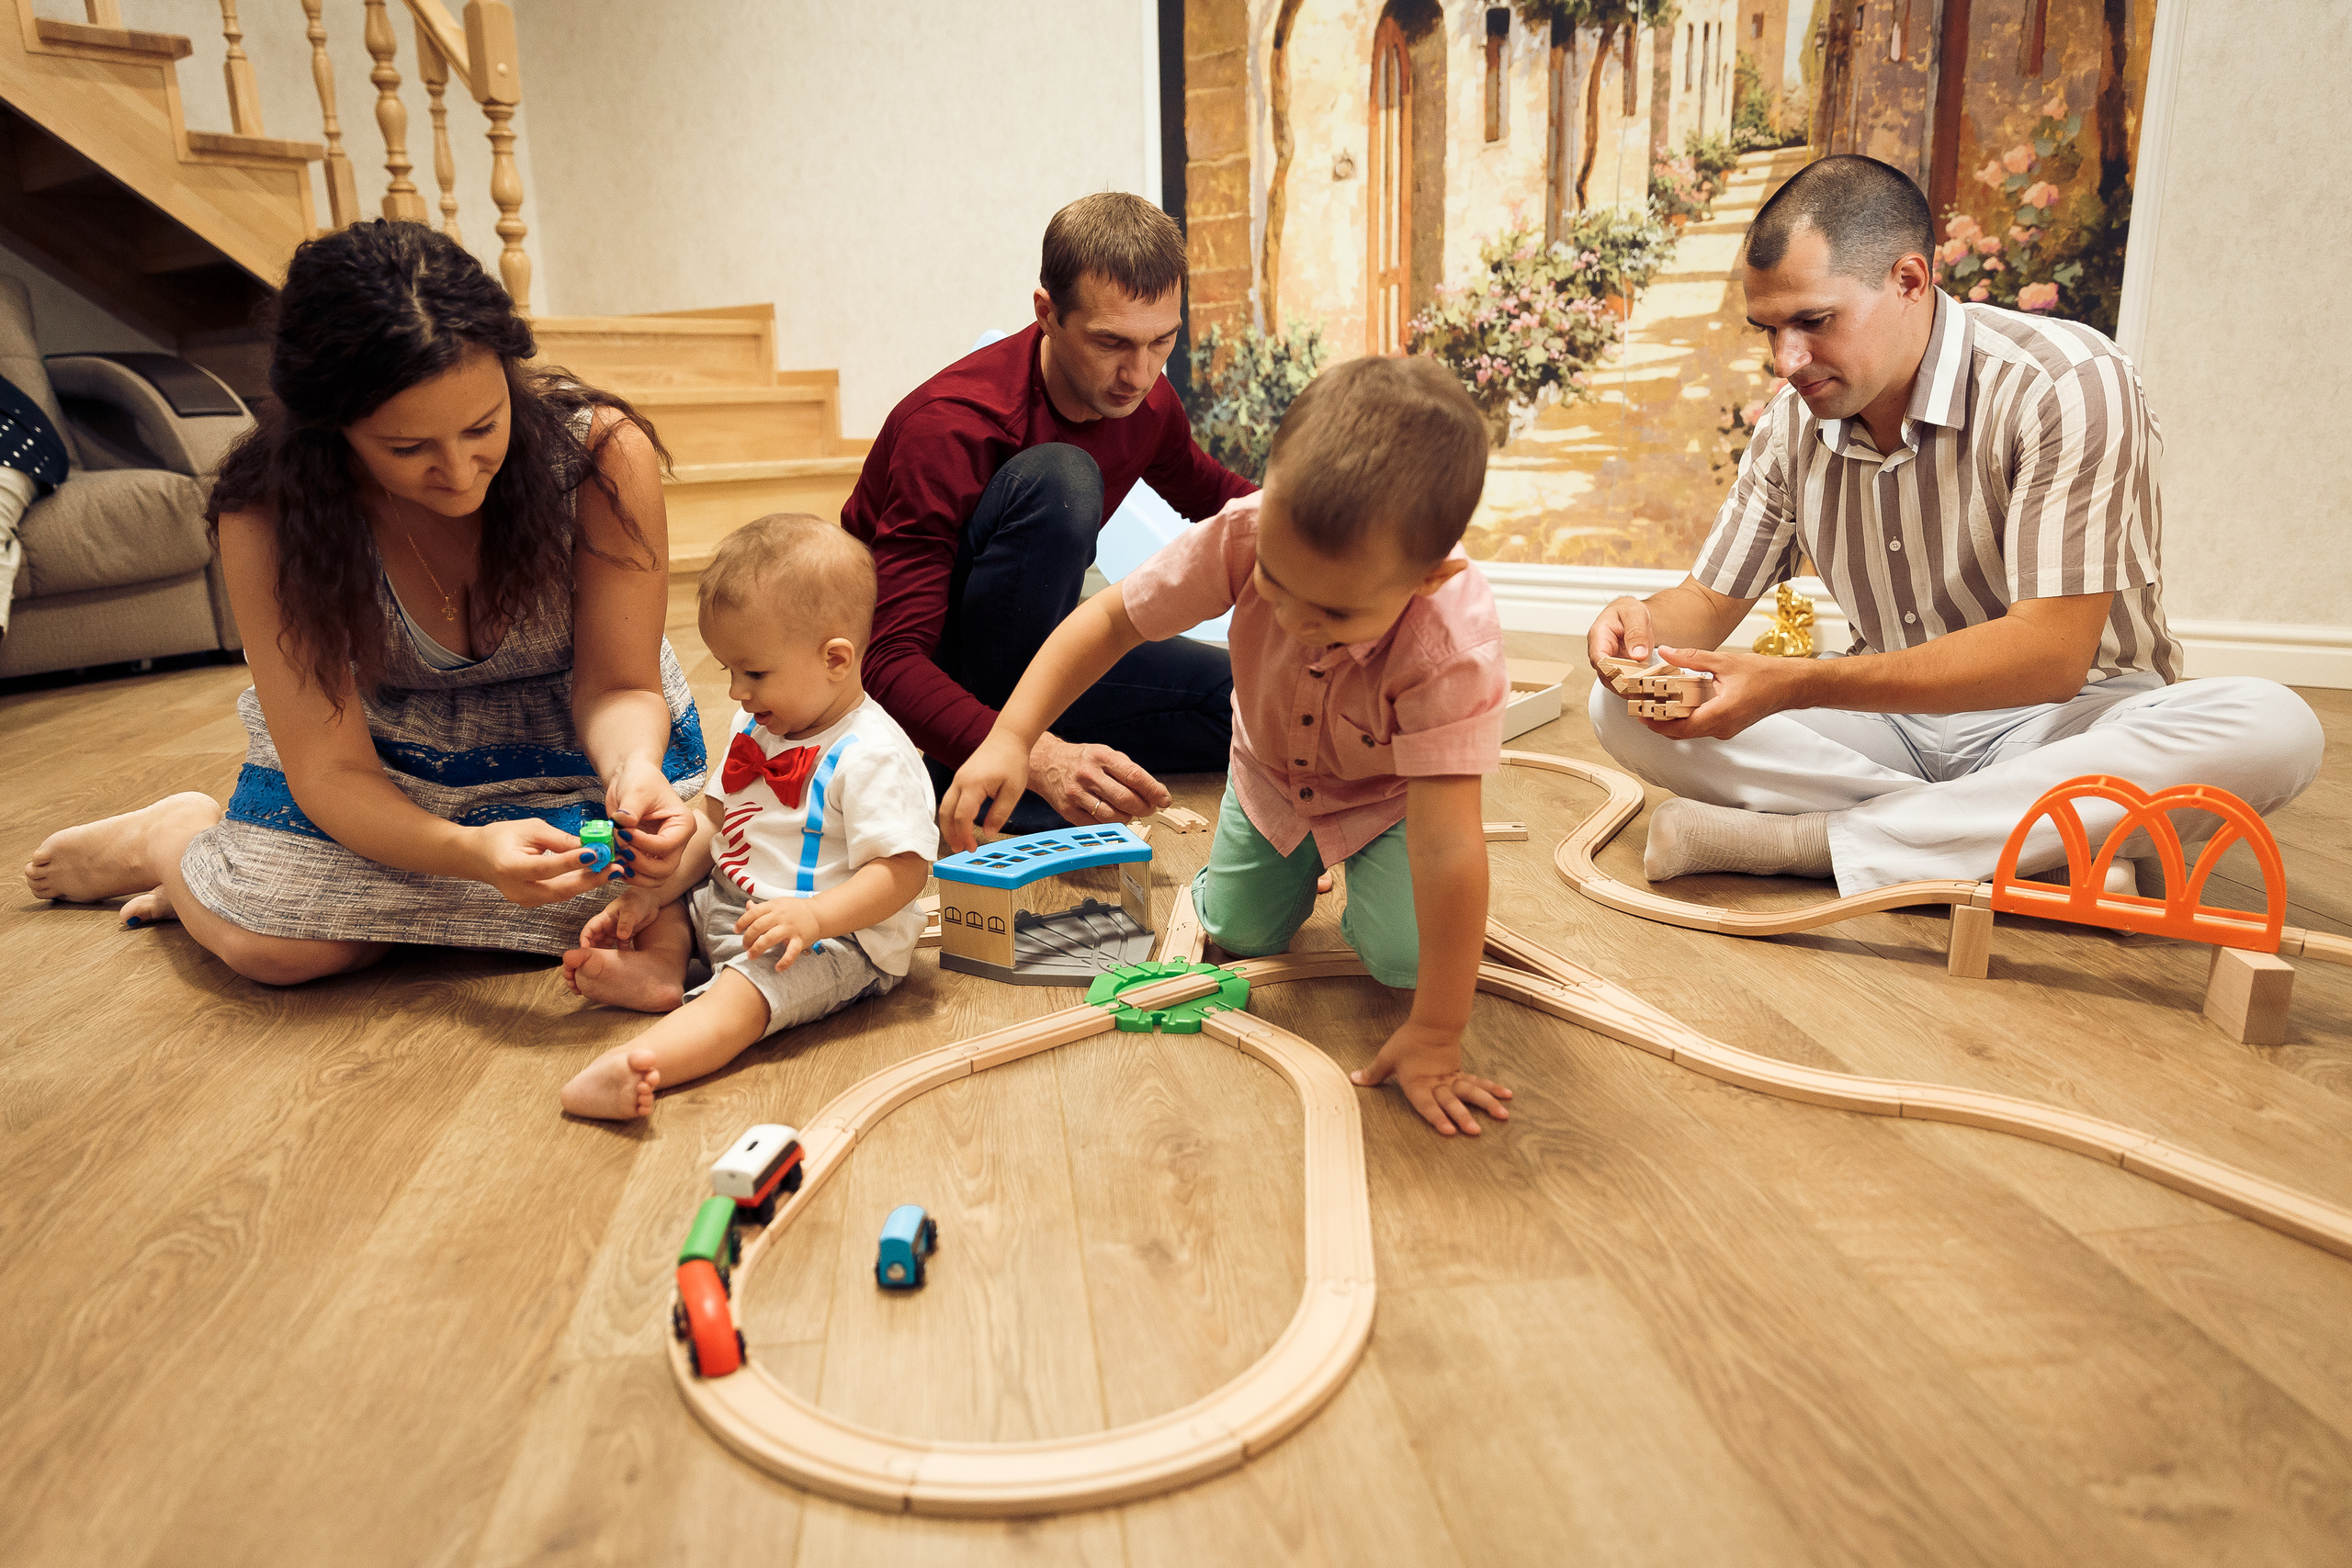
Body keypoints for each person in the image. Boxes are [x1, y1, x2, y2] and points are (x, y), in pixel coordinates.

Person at [1585, 155, 2324, 895]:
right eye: (1769, 330)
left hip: (2067, 722)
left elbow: (2051, 655)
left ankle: (1812, 843)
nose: (1787, 360)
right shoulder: (1792, 425)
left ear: (1910, 280)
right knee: (1617, 708)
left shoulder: (2066, 383)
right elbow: (1709, 605)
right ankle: (2026, 842)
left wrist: (1797, 682)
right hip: (1890, 731)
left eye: (1813, 322)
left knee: (2276, 728)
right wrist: (1641, 632)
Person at [21, 221, 707, 981]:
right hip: (384, 757)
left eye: (483, 426)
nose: (458, 470)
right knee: (273, 950)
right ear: (332, 431)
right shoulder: (269, 514)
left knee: (659, 878)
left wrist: (632, 768)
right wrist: (468, 854)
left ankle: (320, 895)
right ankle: (174, 837)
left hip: (567, 738)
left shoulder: (598, 457)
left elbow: (619, 684)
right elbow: (330, 771)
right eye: (408, 449)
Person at [942, 356, 1515, 1138]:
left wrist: (1438, 1034)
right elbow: (1109, 621)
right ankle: (1278, 871)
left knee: (1409, 963)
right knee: (1241, 933)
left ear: (1427, 579)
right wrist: (1012, 736)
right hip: (1271, 774)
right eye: (1277, 582)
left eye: (1336, 611)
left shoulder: (1454, 642)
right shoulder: (1244, 531)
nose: (1295, 618)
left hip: (1388, 803)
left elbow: (1449, 846)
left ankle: (1357, 891)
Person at [843, 191, 1255, 836]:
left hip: (1037, 664)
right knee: (1062, 479)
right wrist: (1031, 753)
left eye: (1162, 342)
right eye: (1111, 342)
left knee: (1245, 704)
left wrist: (1348, 529)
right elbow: (888, 657)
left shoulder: (1148, 400)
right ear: (1047, 313)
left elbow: (1219, 498)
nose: (1139, 372)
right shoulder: (950, 426)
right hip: (927, 674)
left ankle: (1032, 755)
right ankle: (978, 770)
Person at [559, 515, 936, 1120]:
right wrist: (653, 892)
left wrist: (815, 916)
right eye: (729, 670)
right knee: (675, 891)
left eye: (753, 672)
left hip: (827, 939)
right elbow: (710, 824)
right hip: (735, 902)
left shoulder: (874, 755)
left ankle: (645, 1059)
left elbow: (903, 874)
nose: (736, 690)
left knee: (743, 995)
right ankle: (662, 964)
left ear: (836, 658)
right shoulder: (755, 723)